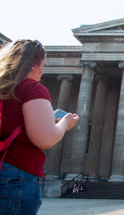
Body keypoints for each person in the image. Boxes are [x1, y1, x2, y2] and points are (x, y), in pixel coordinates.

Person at [0, 39, 80, 215]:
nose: (44, 70)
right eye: (44, 64)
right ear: (34, 65)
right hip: (14, 177)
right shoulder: (31, 89)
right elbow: (44, 139)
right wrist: (65, 123)